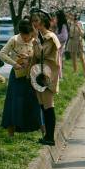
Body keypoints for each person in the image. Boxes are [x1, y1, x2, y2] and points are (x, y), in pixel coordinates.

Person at [0, 17, 43, 136]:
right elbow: (2, 54)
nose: (26, 38)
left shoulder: (35, 40)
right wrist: (15, 64)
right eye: (23, 36)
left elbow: (41, 56)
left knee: (35, 103)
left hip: (32, 76)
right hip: (17, 77)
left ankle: (42, 131)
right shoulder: (13, 40)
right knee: (14, 104)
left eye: (27, 36)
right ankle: (10, 135)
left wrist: (29, 57)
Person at [30, 8, 61, 146]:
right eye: (33, 21)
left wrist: (36, 42)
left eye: (36, 21)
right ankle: (47, 136)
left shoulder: (50, 37)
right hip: (40, 73)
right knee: (43, 105)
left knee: (48, 105)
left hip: (48, 74)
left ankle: (50, 137)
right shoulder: (41, 36)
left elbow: (40, 54)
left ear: (43, 22)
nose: (34, 24)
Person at [67, 12, 85, 77]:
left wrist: (78, 27)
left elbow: (83, 35)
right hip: (72, 41)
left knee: (82, 57)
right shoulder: (69, 23)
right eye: (72, 17)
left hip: (79, 41)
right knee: (73, 57)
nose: (73, 18)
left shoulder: (80, 23)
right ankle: (75, 71)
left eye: (74, 17)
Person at [55, 10, 69, 78]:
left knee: (58, 60)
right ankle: (59, 75)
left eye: (56, 17)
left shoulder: (63, 26)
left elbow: (64, 36)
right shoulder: (60, 26)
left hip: (60, 45)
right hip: (59, 45)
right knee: (59, 60)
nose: (55, 19)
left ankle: (59, 76)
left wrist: (54, 36)